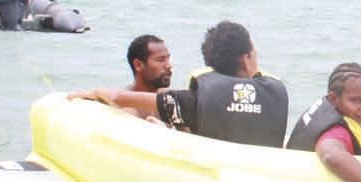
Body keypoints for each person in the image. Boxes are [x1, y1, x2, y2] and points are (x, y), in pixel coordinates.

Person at [70, 20, 289, 146]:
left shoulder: (191, 102)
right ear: (246, 58)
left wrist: (96, 92)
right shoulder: (274, 94)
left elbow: (118, 97)